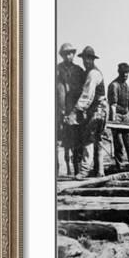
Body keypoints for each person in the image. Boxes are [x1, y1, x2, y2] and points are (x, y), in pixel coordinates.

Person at [65, 46, 108, 179]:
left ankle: (84, 171)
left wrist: (75, 110)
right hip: (100, 110)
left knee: (88, 138)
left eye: (88, 59)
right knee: (98, 140)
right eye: (84, 59)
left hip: (97, 110)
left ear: (92, 59)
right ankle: (100, 170)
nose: (85, 61)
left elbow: (87, 95)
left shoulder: (92, 74)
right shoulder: (91, 72)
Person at [56, 42, 85, 176]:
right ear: (62, 55)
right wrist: (61, 110)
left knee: (77, 141)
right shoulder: (57, 70)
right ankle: (61, 170)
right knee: (64, 141)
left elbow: (84, 90)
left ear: (73, 54)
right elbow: (58, 91)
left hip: (76, 110)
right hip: (62, 110)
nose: (69, 56)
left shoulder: (79, 70)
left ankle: (77, 170)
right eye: (66, 54)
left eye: (71, 53)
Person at [107, 62, 129, 167]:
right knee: (119, 145)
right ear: (119, 73)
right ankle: (119, 167)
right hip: (116, 116)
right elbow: (113, 106)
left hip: (125, 117)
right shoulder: (114, 85)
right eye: (123, 73)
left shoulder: (126, 86)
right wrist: (113, 123)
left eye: (127, 73)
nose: (125, 75)